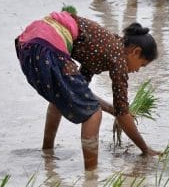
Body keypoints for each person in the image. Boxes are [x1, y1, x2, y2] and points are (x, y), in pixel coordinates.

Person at [15, 10, 161, 170]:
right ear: (136, 52)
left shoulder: (103, 48)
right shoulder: (118, 58)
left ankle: (47, 152)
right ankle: (91, 176)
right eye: (142, 65)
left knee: (60, 97)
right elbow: (123, 114)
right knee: (93, 114)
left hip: (29, 44)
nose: (138, 70)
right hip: (48, 47)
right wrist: (145, 149)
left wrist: (114, 110)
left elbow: (79, 93)